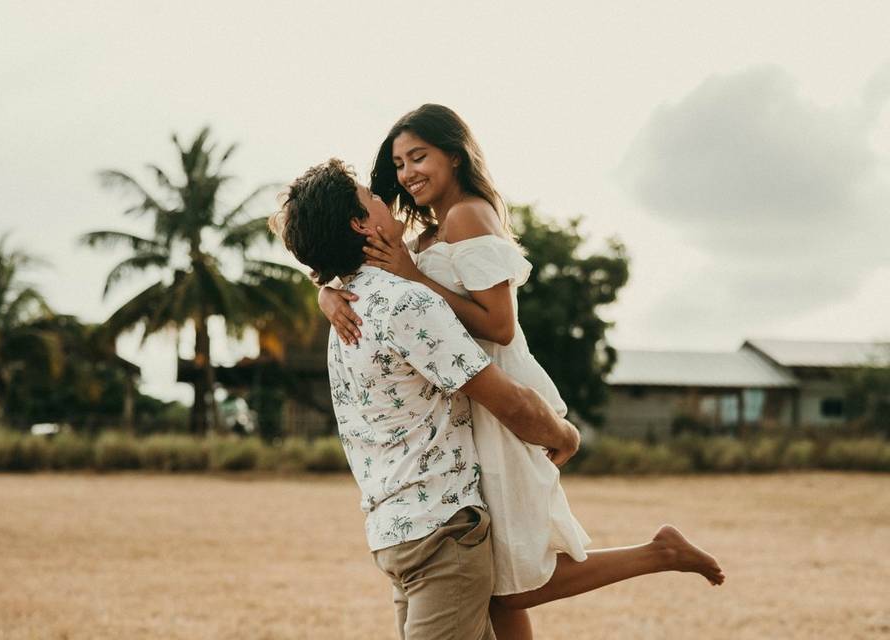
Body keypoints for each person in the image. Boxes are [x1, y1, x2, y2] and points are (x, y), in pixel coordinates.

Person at [318, 104, 726, 639]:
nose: (407, 172)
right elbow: (349, 262)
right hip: (463, 401)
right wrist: (327, 294)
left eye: (419, 156)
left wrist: (416, 276)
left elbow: (500, 325)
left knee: (505, 580)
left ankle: (659, 552)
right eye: (398, 164)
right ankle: (659, 550)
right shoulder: (426, 231)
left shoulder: (469, 215)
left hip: (495, 393)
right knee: (496, 581)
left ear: (456, 155)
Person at [271, 158, 581, 640]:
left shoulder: (344, 310)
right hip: (441, 534)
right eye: (369, 197)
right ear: (361, 223)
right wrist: (563, 432)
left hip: (395, 533)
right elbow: (508, 402)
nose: (382, 196)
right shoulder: (405, 304)